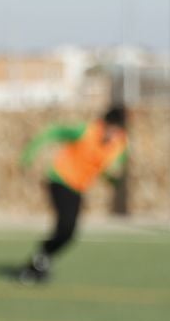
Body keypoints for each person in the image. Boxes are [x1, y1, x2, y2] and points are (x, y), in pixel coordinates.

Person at [14, 104, 130, 283]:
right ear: (104, 124)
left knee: (68, 234)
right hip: (60, 179)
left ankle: (40, 261)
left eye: (117, 131)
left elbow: (109, 171)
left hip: (78, 188)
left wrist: (114, 179)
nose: (112, 134)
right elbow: (53, 131)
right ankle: (40, 261)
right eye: (111, 129)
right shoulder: (85, 131)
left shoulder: (120, 144)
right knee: (65, 226)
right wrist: (29, 154)